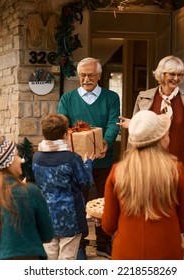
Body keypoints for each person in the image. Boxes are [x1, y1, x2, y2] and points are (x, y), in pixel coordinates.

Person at [101, 110, 184, 259]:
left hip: (126, 253)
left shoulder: (118, 171)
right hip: (166, 252)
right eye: (166, 132)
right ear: (161, 139)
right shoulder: (176, 170)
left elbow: (109, 226)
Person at [57, 57, 120, 259]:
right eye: (82, 75)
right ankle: (81, 244)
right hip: (76, 161)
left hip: (103, 158)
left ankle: (103, 242)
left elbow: (113, 124)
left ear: (99, 76)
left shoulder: (111, 97)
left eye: (91, 75)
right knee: (79, 201)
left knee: (106, 201)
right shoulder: (67, 99)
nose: (86, 79)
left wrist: (106, 142)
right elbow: (62, 125)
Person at [118, 55, 184, 171]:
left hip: (179, 164)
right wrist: (135, 124)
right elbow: (138, 136)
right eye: (172, 74)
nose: (176, 78)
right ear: (162, 74)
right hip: (150, 164)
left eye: (179, 75)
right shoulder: (145, 98)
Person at [32, 114, 94, 260]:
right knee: (67, 260)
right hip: (70, 218)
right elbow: (86, 182)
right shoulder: (72, 158)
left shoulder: (36, 157)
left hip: (46, 216)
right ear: (66, 134)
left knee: (48, 259)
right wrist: (88, 163)